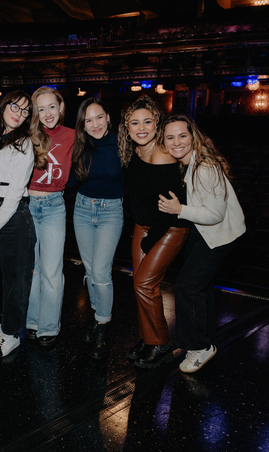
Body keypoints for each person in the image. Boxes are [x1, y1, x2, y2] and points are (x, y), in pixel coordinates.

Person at [157, 114, 246, 373]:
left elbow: (215, 214)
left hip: (218, 233)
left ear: (192, 136)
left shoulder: (204, 167)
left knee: (188, 286)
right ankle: (206, 341)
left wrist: (179, 209)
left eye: (182, 136)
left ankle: (199, 347)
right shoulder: (187, 162)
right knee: (201, 286)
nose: (176, 142)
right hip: (201, 230)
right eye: (170, 137)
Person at [119, 95, 190, 369]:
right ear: (127, 127)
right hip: (143, 225)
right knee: (140, 283)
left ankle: (160, 342)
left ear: (157, 123)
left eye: (147, 121)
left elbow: (171, 205)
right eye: (134, 123)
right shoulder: (135, 152)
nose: (141, 128)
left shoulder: (164, 155)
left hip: (169, 227)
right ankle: (147, 338)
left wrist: (151, 238)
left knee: (145, 284)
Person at [0, 91, 39, 359]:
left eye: (25, 111)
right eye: (15, 106)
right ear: (3, 106)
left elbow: (15, 191)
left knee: (16, 281)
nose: (18, 113)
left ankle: (11, 334)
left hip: (14, 215)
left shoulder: (25, 144)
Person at [70, 97, 124, 360]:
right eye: (88, 120)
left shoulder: (122, 144)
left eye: (99, 117)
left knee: (101, 272)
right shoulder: (79, 145)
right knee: (91, 270)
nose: (94, 124)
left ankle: (103, 324)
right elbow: (68, 179)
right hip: (81, 209)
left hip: (111, 211)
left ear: (108, 117)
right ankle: (96, 315)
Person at [26, 86, 75, 347]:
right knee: (32, 269)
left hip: (54, 205)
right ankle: (32, 321)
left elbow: (105, 141)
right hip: (27, 205)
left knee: (52, 270)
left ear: (61, 107)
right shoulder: (27, 135)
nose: (47, 113)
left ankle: (48, 326)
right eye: (40, 108)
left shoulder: (73, 136)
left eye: (52, 107)